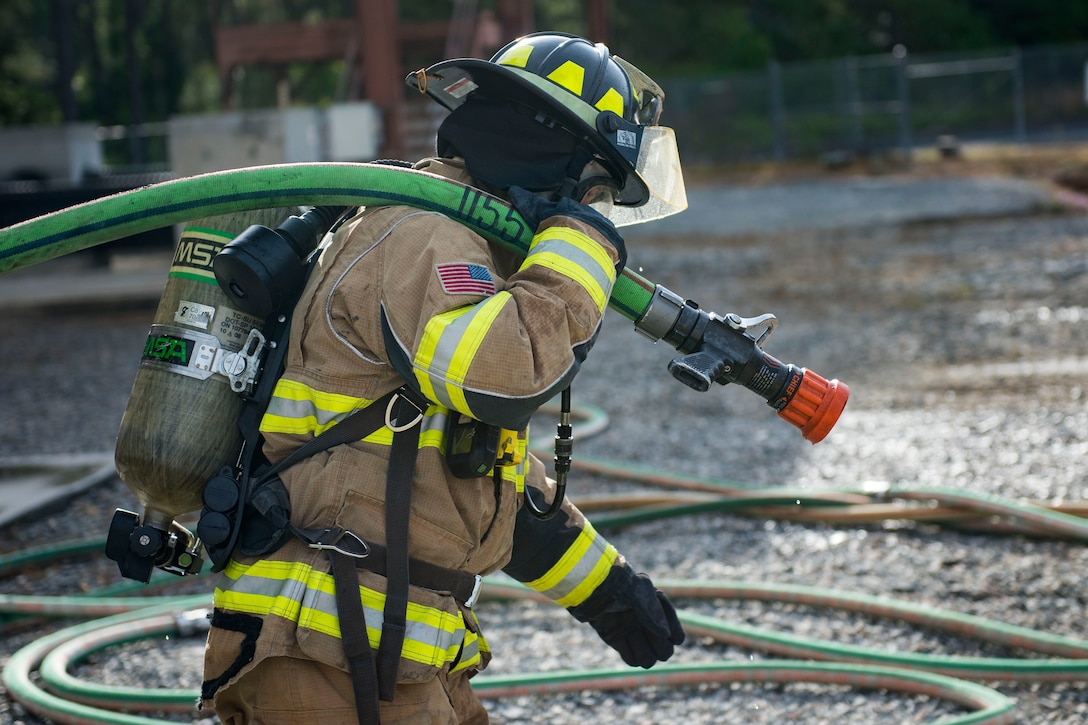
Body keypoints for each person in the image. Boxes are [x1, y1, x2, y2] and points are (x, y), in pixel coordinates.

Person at [200, 31, 689, 725]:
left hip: (377, 651)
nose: (595, 213)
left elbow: (480, 477)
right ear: (552, 153)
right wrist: (579, 248)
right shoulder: (426, 232)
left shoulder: (453, 249)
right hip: (330, 647)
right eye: (597, 190)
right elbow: (504, 375)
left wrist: (606, 589)